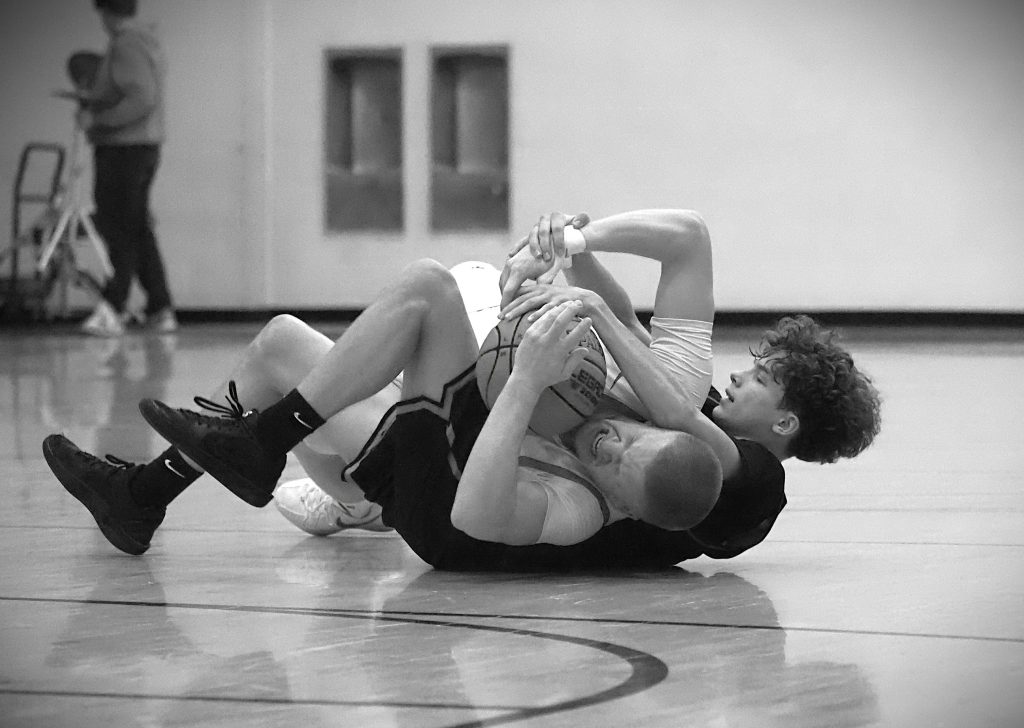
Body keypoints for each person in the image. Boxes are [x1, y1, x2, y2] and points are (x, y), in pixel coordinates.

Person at [43, 253, 724, 561]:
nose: (613, 444)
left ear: (623, 505)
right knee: (279, 345)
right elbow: (701, 436)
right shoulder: (640, 412)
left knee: (429, 287)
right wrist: (555, 297)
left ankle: (259, 448)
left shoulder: (578, 513)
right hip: (421, 466)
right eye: (635, 439)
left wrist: (521, 383)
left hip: (432, 509)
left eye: (619, 466)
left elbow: (475, 515)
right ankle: (142, 496)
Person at [78, 0, 176, 337]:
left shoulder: (126, 44)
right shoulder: (147, 40)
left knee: (117, 228)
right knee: (136, 228)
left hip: (124, 150)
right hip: (143, 148)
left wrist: (99, 120)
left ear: (106, 12)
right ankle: (159, 307)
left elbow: (142, 97)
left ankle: (113, 307)